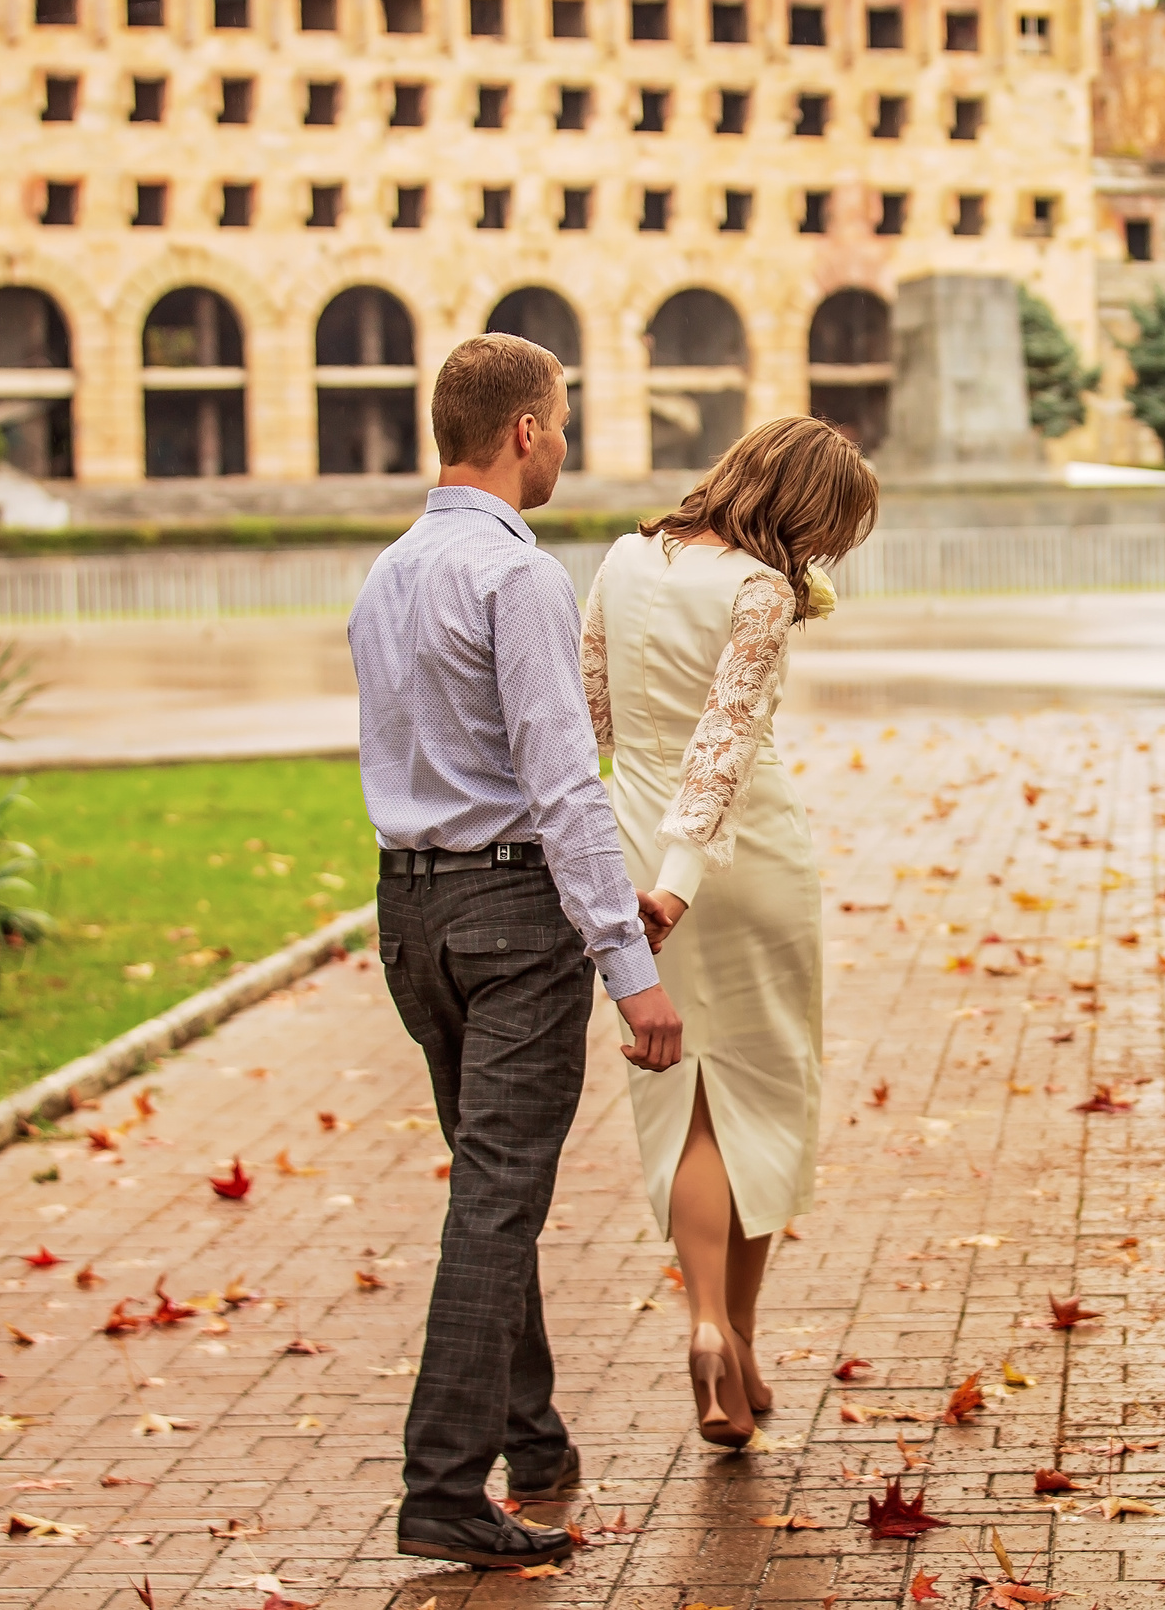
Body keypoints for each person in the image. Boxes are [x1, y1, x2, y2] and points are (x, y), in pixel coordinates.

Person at [349, 332, 687, 1570]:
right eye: (565, 417)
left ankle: (531, 1441)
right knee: (495, 1202)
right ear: (526, 431)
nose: (567, 440)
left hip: (412, 919)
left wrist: (605, 915)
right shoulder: (518, 578)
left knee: (489, 1185)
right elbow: (560, 787)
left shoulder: (386, 572)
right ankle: (443, 1485)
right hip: (508, 921)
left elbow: (427, 760)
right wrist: (631, 972)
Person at [579, 416, 879, 1446]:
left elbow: (591, 722)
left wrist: (633, 877)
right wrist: (682, 880)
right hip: (739, 867)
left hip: (629, 859)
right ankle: (740, 1335)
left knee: (685, 1100)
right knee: (762, 1095)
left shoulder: (622, 560)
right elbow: (727, 743)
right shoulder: (759, 590)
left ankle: (710, 1330)